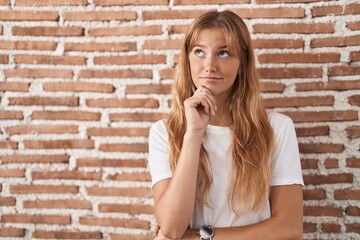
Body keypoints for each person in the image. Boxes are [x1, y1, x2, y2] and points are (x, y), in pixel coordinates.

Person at [147, 10, 304, 240]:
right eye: (199, 52)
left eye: (223, 53)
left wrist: (198, 237)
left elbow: (289, 228)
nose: (209, 65)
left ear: (242, 63)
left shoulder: (277, 128)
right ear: (187, 59)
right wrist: (194, 134)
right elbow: (171, 228)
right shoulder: (164, 132)